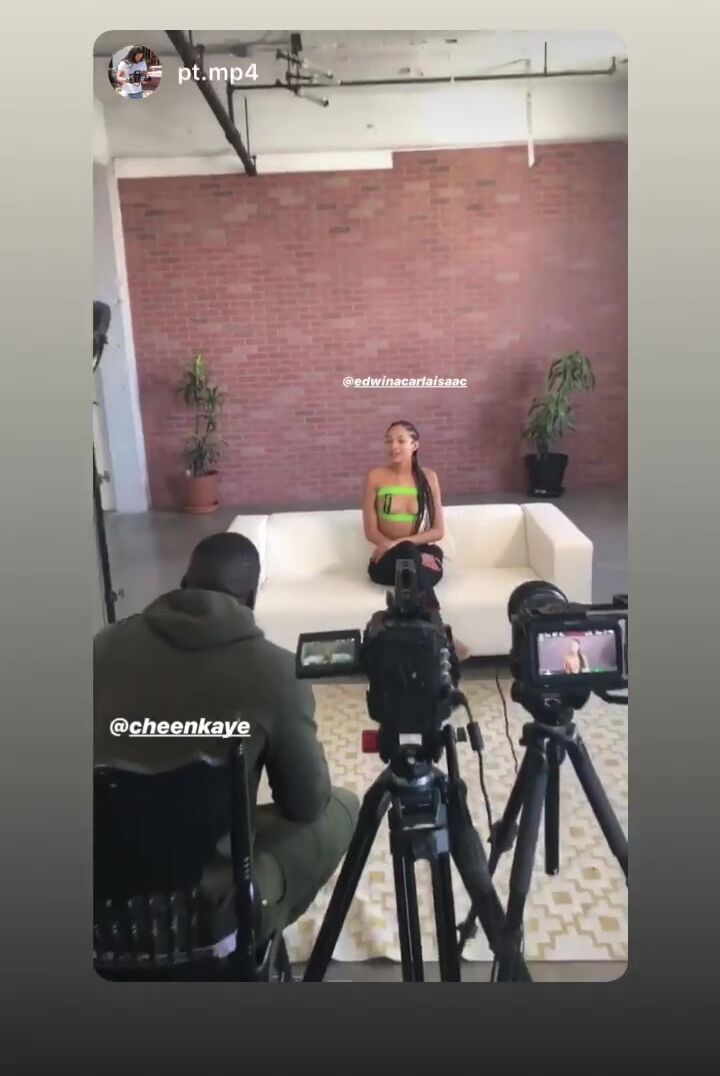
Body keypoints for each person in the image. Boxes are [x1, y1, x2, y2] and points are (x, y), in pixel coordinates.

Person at [94, 531, 359, 951]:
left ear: (184, 584)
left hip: (101, 906)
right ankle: (250, 930)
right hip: (207, 914)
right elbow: (306, 804)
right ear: (251, 597)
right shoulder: (275, 671)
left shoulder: (102, 647)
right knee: (343, 805)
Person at [362, 419, 470, 659]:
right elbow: (370, 532)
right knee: (407, 552)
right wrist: (395, 547)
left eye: (401, 441)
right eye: (389, 441)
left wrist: (397, 543)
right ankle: (441, 633)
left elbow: (438, 531)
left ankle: (422, 638)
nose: (393, 446)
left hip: (424, 558)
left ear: (415, 445)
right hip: (386, 564)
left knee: (409, 552)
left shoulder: (428, 478)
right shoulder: (376, 477)